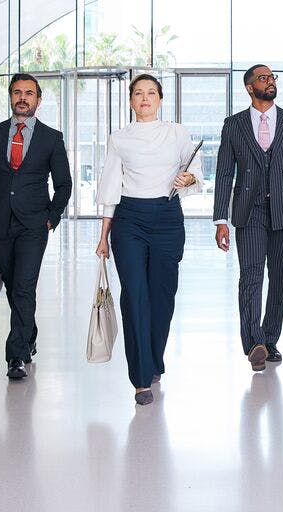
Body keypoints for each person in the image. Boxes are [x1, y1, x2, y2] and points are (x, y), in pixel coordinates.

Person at [95, 74, 203, 406]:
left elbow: (195, 169)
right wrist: (103, 237)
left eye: (151, 93)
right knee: (135, 296)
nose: (145, 98)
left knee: (162, 297)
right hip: (129, 221)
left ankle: (154, 358)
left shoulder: (177, 133)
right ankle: (141, 379)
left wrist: (189, 178)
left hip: (168, 218)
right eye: (138, 93)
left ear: (160, 99)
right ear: (131, 101)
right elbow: (111, 187)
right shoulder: (119, 139)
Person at [214, 64, 283, 372]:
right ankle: (254, 343)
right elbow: (224, 173)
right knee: (250, 275)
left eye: (272, 77)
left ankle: (270, 338)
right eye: (263, 78)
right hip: (249, 212)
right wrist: (219, 218)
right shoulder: (233, 125)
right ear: (250, 87)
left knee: (280, 278)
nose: (270, 81)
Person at [0, 73, 72, 380]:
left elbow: (64, 184)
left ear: (38, 100)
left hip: (33, 224)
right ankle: (28, 333)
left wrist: (51, 217)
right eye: (17, 92)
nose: (22, 97)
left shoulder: (51, 138)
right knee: (16, 289)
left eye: (29, 93)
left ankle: (15, 356)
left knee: (24, 286)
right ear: (11, 97)